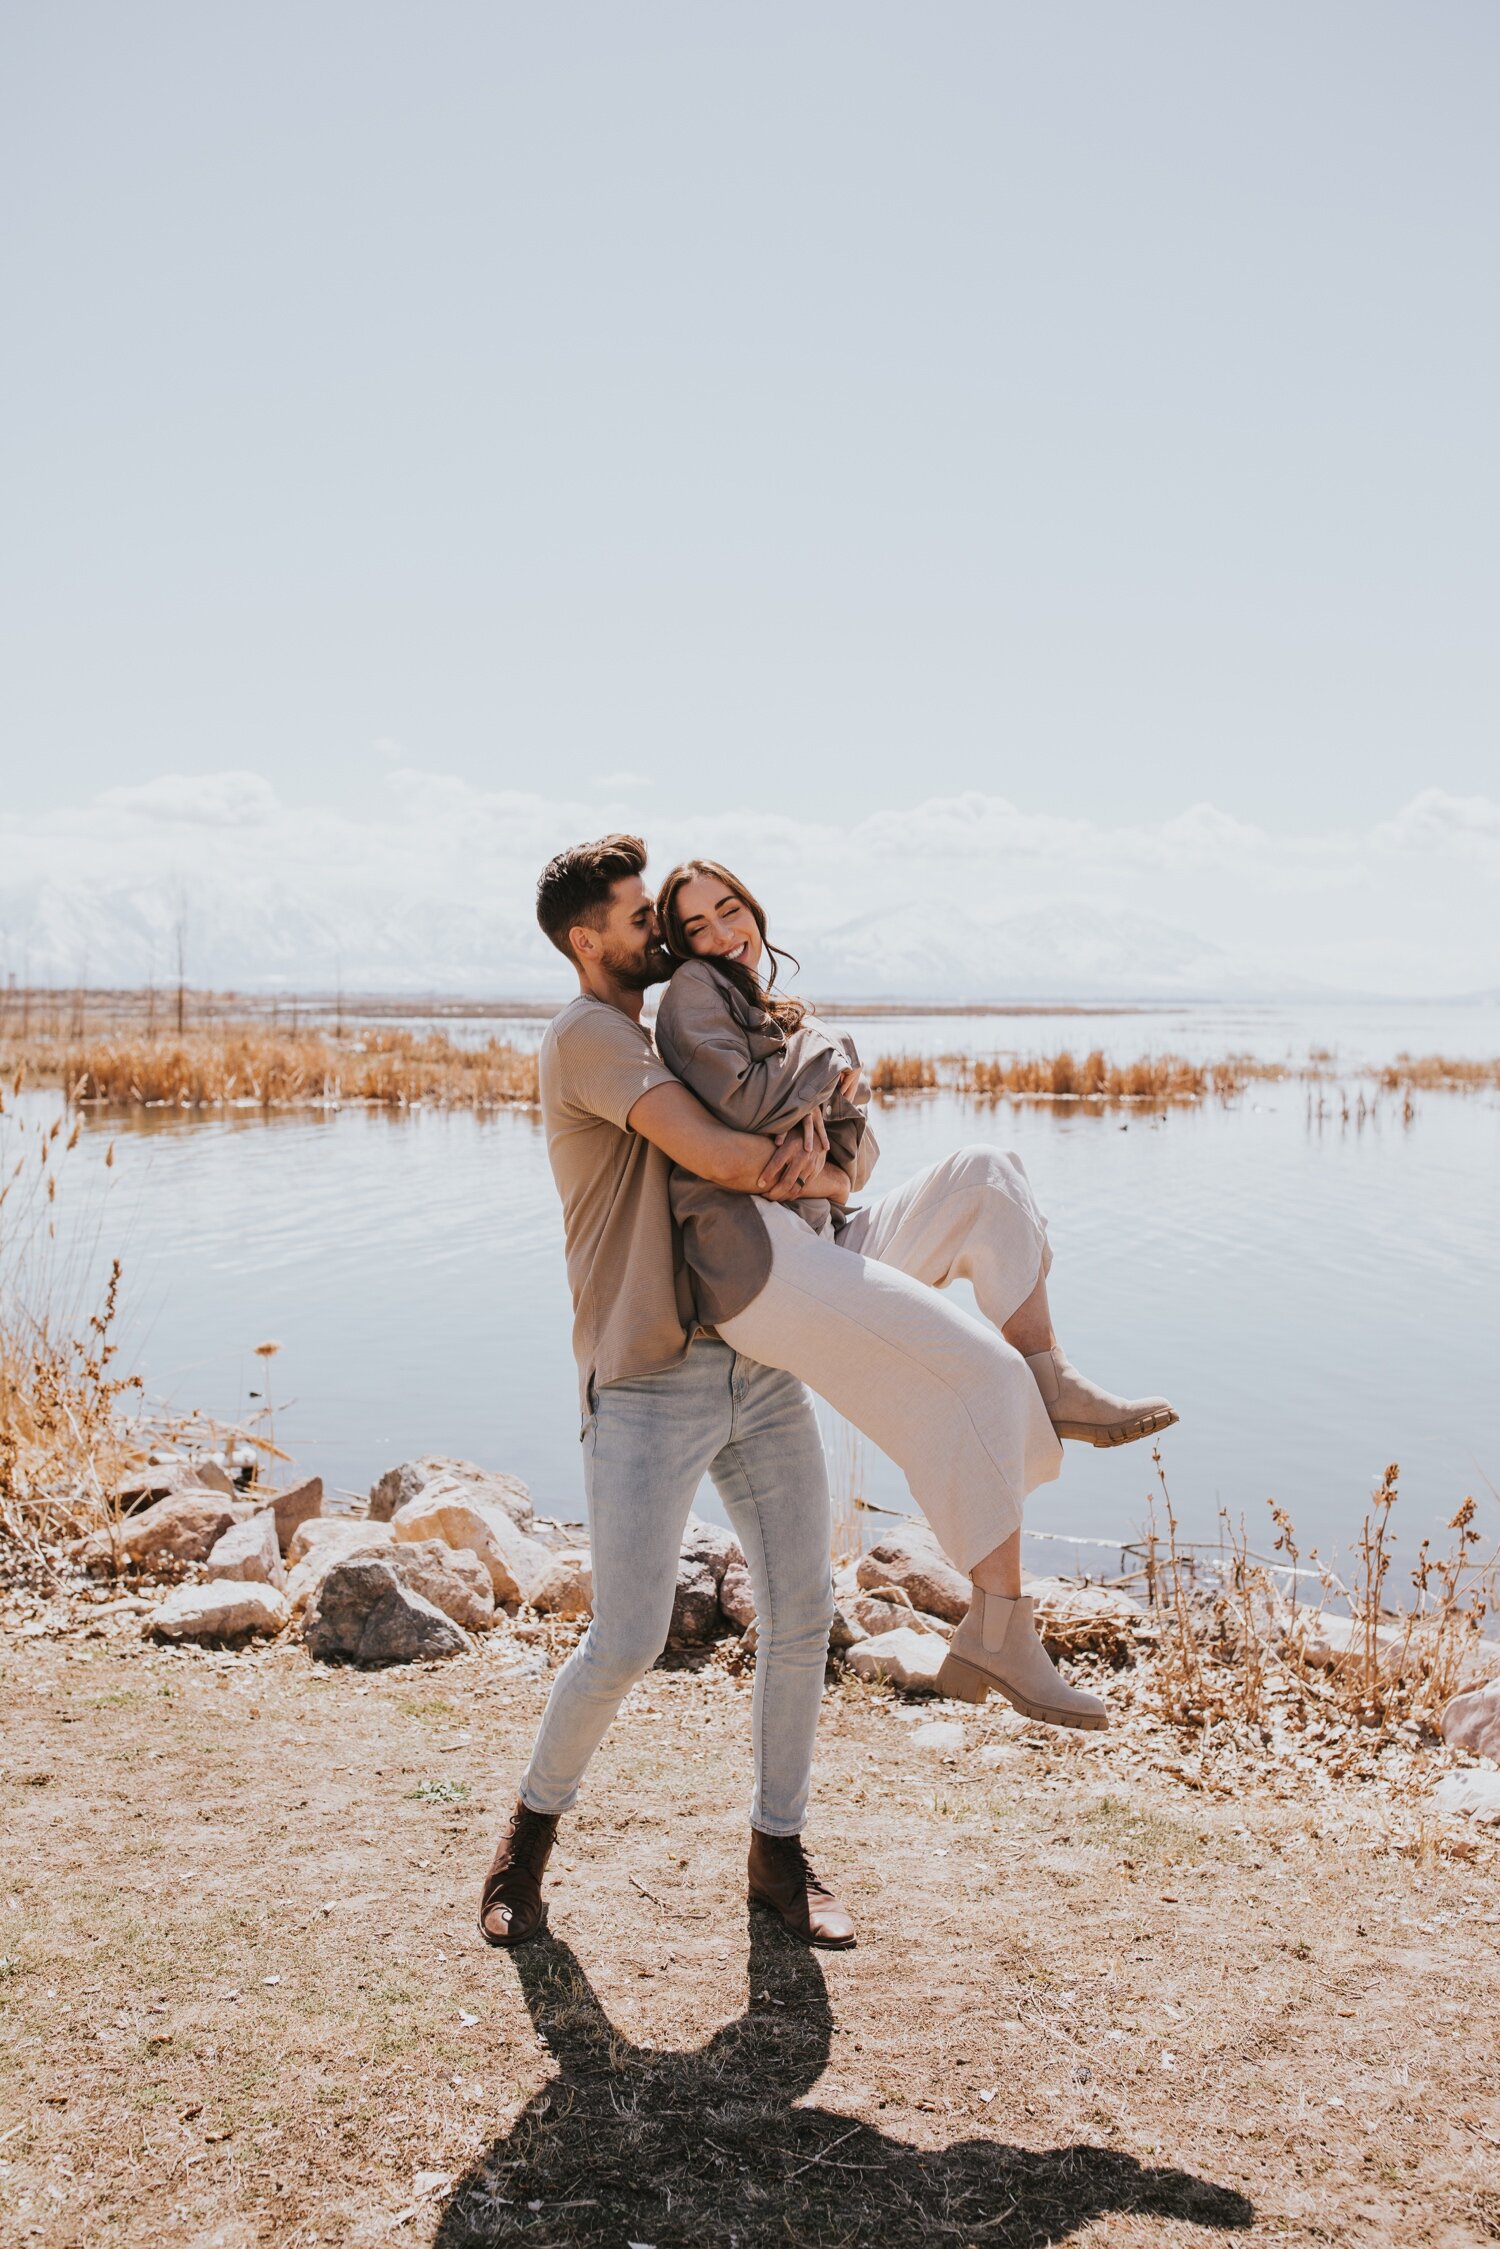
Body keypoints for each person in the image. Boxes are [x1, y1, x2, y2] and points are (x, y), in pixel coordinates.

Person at [651, 857, 1178, 1716]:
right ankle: (998, 1631)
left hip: (816, 1230)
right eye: (696, 925)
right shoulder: (692, 993)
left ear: (753, 904)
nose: (720, 933)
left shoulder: (771, 1006)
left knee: (986, 1171)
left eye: (729, 909)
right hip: (761, 1264)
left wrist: (815, 1162)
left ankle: (1050, 1374)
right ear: (679, 943)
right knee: (975, 1369)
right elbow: (747, 1109)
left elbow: (856, 1154)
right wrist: (832, 1061)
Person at [480, 835, 861, 1954]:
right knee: (628, 1636)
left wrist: (829, 1156)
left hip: (756, 1355)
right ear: (582, 938)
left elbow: (779, 1147)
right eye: (639, 916)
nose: (659, 931)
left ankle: (777, 1855)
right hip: (648, 1377)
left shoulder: (664, 1024)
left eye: (662, 912)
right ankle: (526, 1843)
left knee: (806, 1610)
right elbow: (735, 1158)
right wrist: (816, 1126)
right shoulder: (590, 1038)